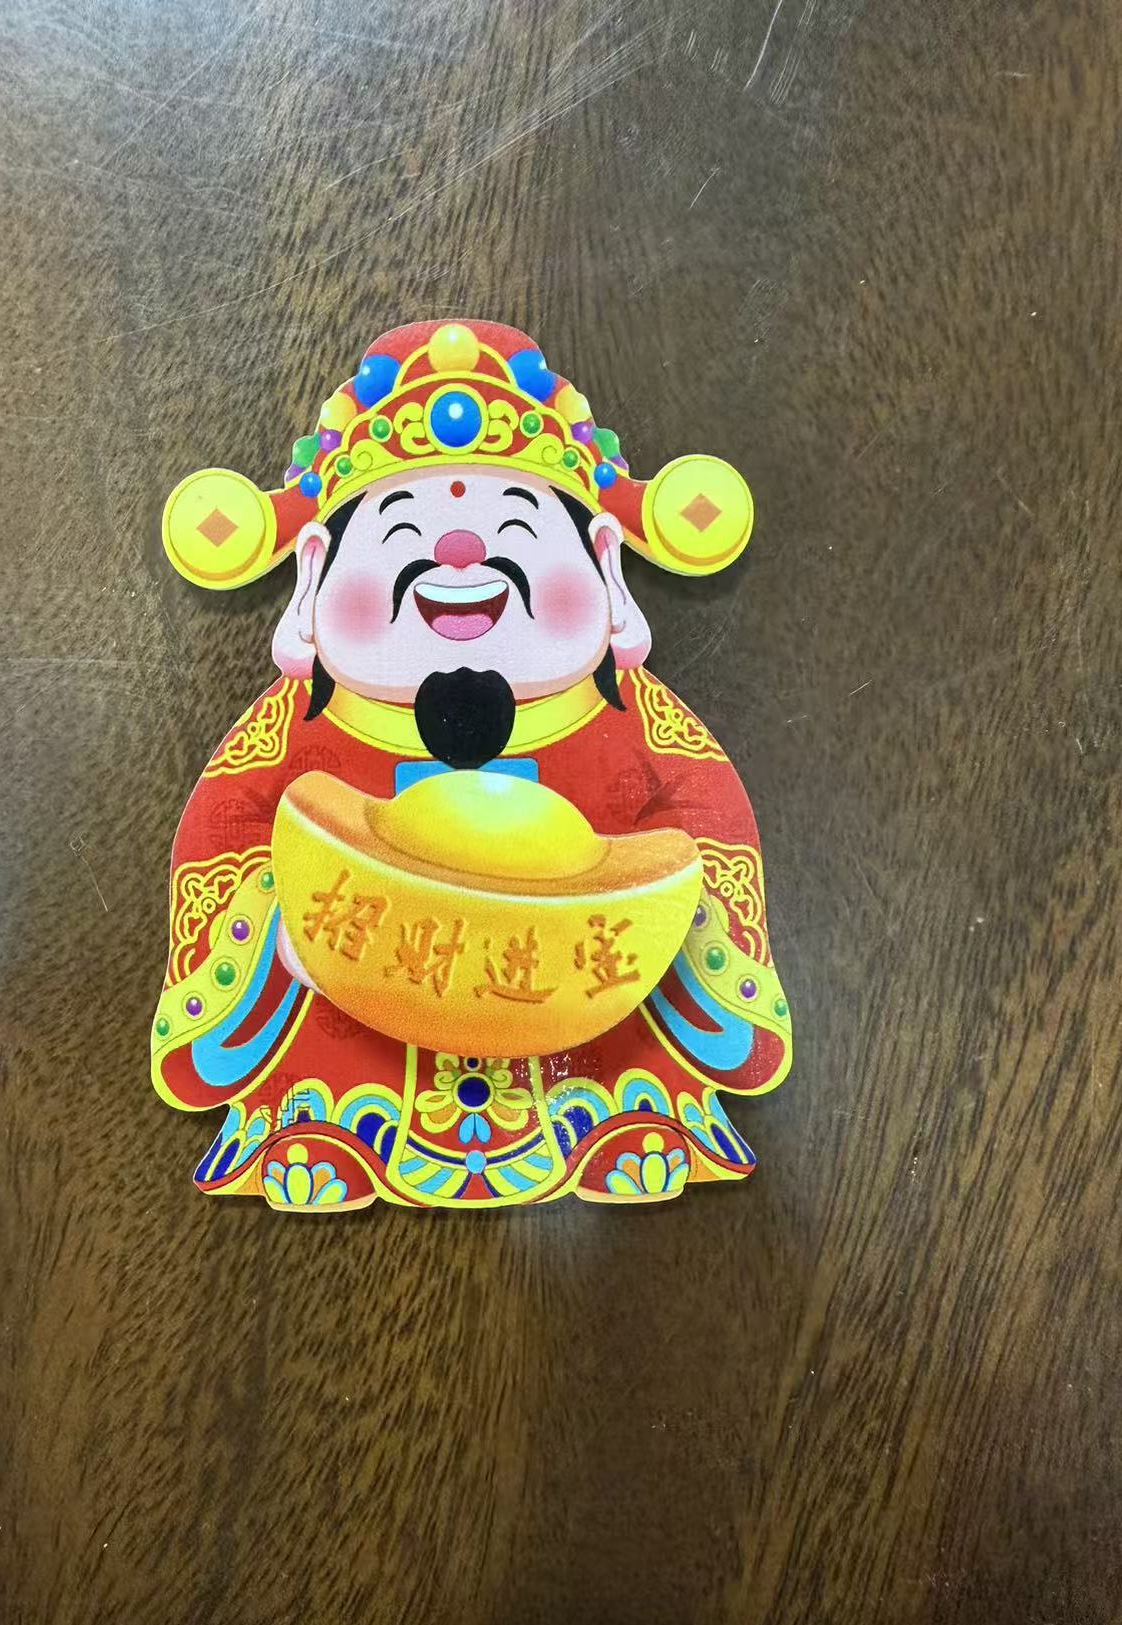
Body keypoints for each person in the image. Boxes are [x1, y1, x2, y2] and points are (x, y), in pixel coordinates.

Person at [153, 319, 792, 1211]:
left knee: (629, 1078)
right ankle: (326, 1132)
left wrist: (667, 922)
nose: (459, 557)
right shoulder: (290, 739)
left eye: (519, 529)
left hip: (585, 1053)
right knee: (325, 1086)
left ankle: (620, 1120)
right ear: (313, 579)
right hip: (358, 1056)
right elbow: (223, 849)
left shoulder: (641, 732)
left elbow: (709, 846)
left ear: (607, 569)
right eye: (400, 533)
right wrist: (281, 930)